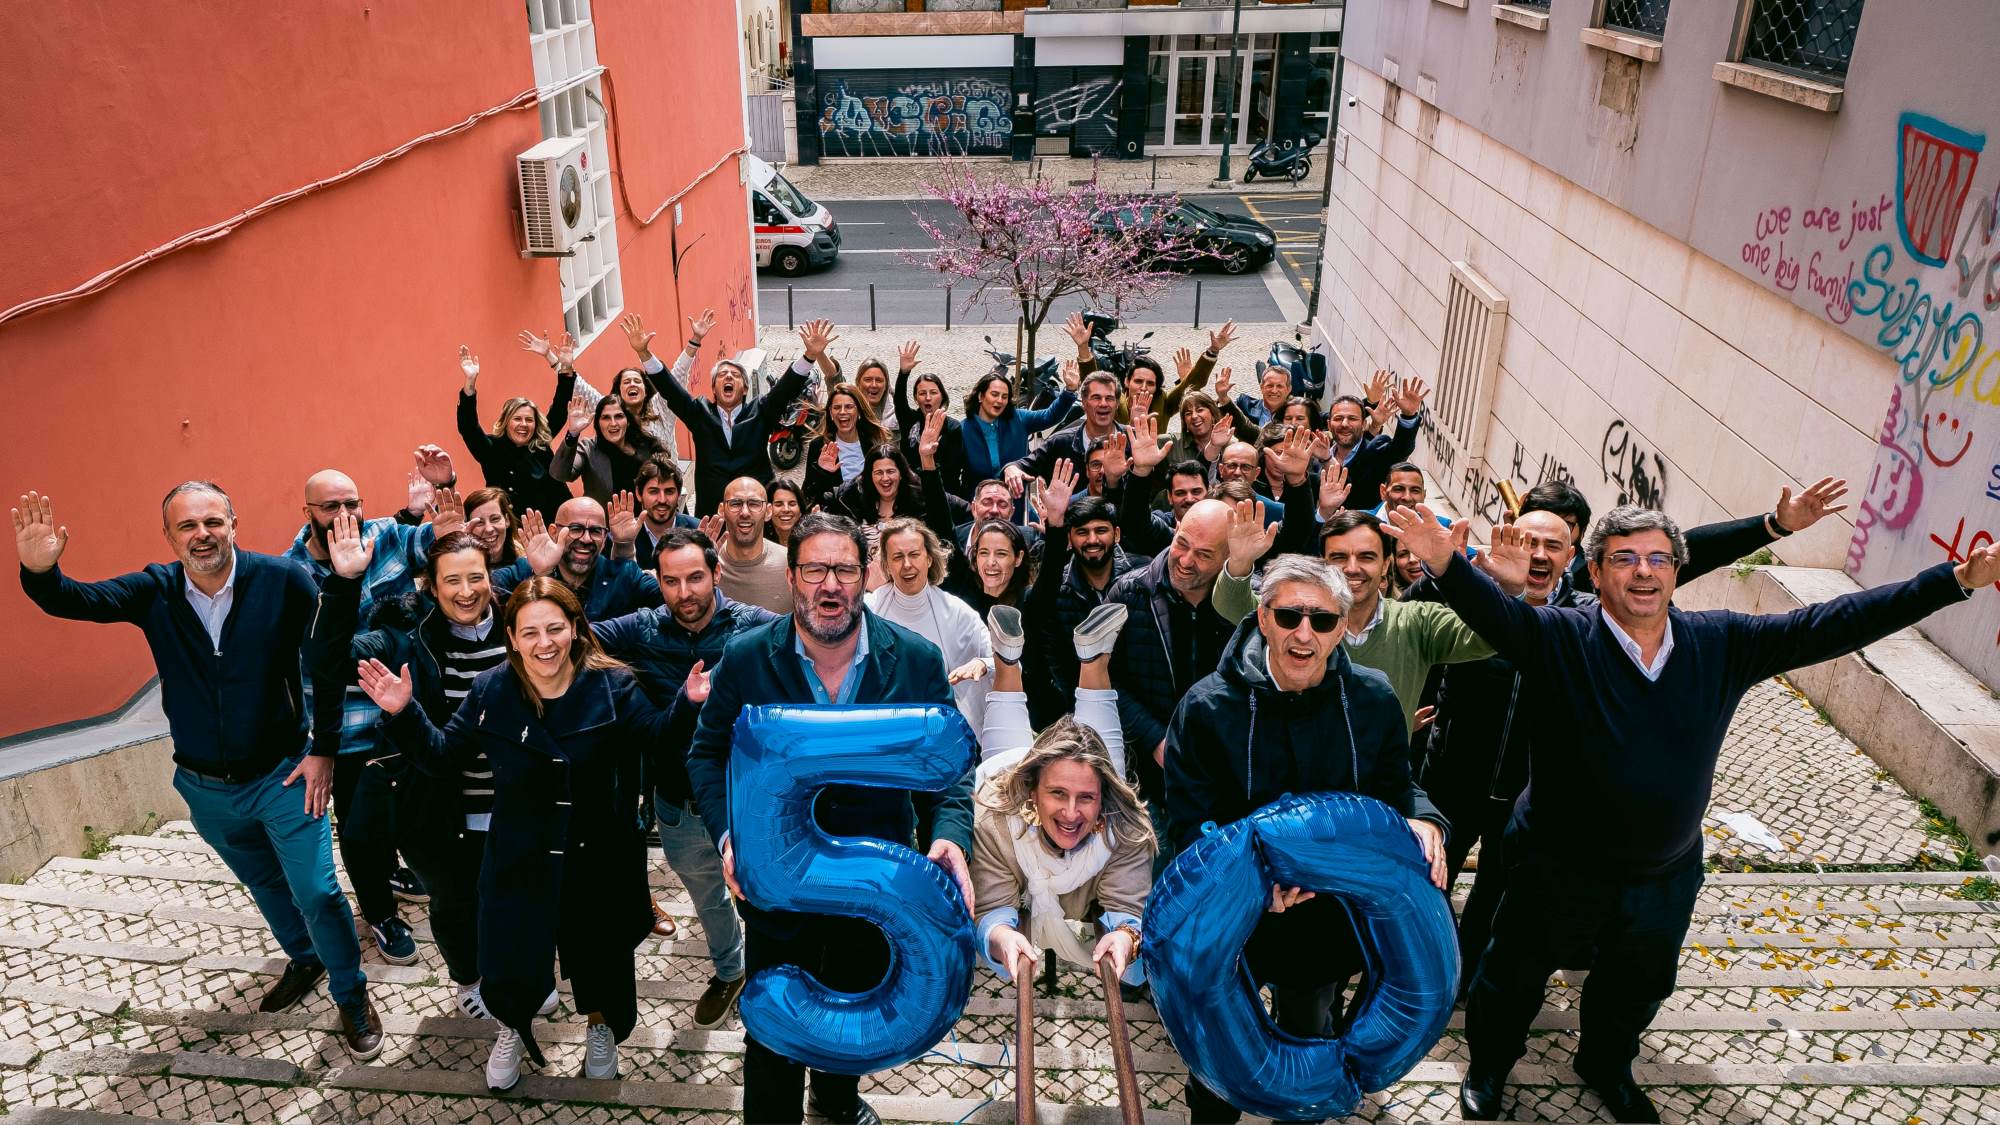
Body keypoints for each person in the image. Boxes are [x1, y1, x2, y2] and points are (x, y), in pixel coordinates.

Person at [1384, 503, 1997, 1124]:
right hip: (1554, 866)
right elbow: (1493, 613)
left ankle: (1605, 1064)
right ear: (1595, 572)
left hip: (1665, 874)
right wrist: (1446, 564)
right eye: (1624, 559)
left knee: (1637, 984)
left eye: (1659, 558)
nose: (1643, 571)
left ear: (1677, 571)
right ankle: (1490, 1066)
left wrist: (1952, 581)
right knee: (1512, 977)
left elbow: (1831, 623)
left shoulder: (1720, 642)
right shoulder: (1559, 636)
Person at [14, 486, 380, 1056]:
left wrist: (324, 749)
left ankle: (351, 994)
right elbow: (76, 600)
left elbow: (329, 658)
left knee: (318, 891)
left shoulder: (281, 579)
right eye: (187, 526)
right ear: (169, 537)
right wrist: (41, 573)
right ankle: (305, 958)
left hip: (283, 775)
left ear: (234, 523)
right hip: (205, 787)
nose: (201, 534)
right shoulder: (154, 589)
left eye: (212, 521)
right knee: (263, 882)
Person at [685, 513, 975, 1125]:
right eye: (815, 569)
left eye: (844, 569)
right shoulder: (746, 658)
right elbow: (706, 754)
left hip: (874, 892)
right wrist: (731, 836)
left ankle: (836, 1104)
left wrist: (950, 837)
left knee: (853, 1013)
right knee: (772, 1036)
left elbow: (949, 770)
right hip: (778, 894)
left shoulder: (916, 660)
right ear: (792, 577)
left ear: (865, 576)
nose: (830, 585)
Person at [358, 577, 680, 1091]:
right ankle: (512, 1026)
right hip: (519, 851)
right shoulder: (492, 689)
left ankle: (601, 1029)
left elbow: (659, 738)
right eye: (530, 632)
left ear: (575, 629)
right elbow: (443, 756)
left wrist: (690, 703)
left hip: (597, 852)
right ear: (511, 636)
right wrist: (404, 711)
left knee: (601, 956)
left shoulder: (613, 685)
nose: (544, 643)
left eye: (555, 628)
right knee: (511, 955)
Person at [1164, 553, 1449, 1124]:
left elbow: (1395, 786)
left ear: (1341, 629)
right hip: (1233, 920)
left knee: (1308, 1037)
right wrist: (1250, 888)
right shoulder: (1206, 706)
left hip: (1328, 918)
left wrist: (1424, 818)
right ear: (1263, 618)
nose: (1304, 633)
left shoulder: (1372, 699)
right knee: (1217, 1059)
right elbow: (1190, 821)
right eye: (1289, 616)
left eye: (1321, 620)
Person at [307, 524, 559, 1027]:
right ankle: (469, 978)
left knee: (524, 895)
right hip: (437, 805)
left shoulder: (521, 622)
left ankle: (527, 969)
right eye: (452, 581)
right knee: (456, 903)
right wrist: (344, 583)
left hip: (519, 800)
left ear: (491, 577)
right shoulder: (403, 635)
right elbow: (327, 660)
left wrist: (546, 578)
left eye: (475, 577)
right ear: (431, 585)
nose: (466, 592)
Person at [593, 528, 774, 1031]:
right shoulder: (642, 629)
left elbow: (812, 638)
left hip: (748, 804)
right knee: (710, 899)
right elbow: (570, 635)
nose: (684, 592)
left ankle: (773, 981)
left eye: (695, 578)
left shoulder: (753, 627)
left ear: (716, 574)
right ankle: (731, 971)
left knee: (763, 897)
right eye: (671, 581)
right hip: (678, 807)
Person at [284, 466, 451, 965]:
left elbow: (439, 541)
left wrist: (444, 492)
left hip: (404, 716)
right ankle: (379, 912)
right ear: (307, 512)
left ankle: (395, 871)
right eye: (330, 506)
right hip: (348, 728)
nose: (345, 514)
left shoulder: (385, 535)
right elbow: (316, 658)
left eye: (351, 503)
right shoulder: (292, 573)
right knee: (361, 830)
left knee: (406, 810)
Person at [973, 603, 1149, 989]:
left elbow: (1127, 907)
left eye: (1086, 798)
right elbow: (992, 906)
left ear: (1102, 799)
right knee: (1012, 753)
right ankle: (1009, 659)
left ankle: (1087, 656)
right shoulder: (995, 815)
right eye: (1057, 794)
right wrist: (1002, 937)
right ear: (1033, 790)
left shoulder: (1126, 825)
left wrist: (1125, 937)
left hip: (1100, 799)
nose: (1070, 812)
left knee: (1099, 762)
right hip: (1008, 782)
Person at [1213, 510, 1496, 734]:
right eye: (1338, 557)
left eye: (1366, 557)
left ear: (1386, 565)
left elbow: (1490, 637)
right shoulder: (1293, 618)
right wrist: (1240, 561)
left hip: (1381, 783)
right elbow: (1230, 603)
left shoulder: (1417, 622)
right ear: (1322, 563)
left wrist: (1457, 574)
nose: (1351, 568)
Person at [1107, 498, 1236, 837]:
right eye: (1182, 543)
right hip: (1147, 782)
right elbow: (1105, 680)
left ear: (1228, 558)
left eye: (1204, 554)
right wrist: (1156, 739)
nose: (1186, 560)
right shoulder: (1128, 593)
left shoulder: (1247, 605)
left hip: (1223, 781)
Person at [647, 314, 827, 515]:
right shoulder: (700, 412)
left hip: (756, 513)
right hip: (713, 515)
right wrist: (644, 353)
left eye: (735, 375)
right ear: (714, 389)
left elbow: (785, 389)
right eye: (722, 375)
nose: (728, 377)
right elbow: (670, 389)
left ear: (744, 389)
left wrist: (809, 356)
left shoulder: (761, 411)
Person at [867, 516, 995, 734]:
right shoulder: (868, 609)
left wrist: (982, 663)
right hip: (882, 729)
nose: (907, 565)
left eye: (914, 554)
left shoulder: (957, 612)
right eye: (897, 557)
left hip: (940, 731)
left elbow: (1004, 662)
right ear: (886, 564)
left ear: (929, 558)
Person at [492, 498, 663, 621]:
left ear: (605, 538)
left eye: (595, 531)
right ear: (553, 532)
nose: (586, 539)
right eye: (575, 529)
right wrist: (542, 575)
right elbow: (482, 593)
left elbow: (671, 599)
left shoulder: (624, 574)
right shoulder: (526, 570)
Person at [454, 347, 570, 520]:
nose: (523, 424)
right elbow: (468, 427)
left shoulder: (540, 444)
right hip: (510, 528)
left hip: (550, 526)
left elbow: (560, 408)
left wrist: (566, 369)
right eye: (517, 419)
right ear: (506, 422)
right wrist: (470, 383)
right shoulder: (491, 449)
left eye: (529, 420)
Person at [1002, 371, 1128, 499]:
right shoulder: (1059, 443)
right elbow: (1023, 465)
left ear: (1117, 403)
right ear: (1084, 403)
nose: (1103, 403)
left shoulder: (1134, 441)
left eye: (1109, 398)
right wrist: (1011, 468)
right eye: (1096, 398)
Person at [959, 365, 1079, 487]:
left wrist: (1069, 391)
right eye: (994, 394)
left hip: (1015, 495)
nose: (1000, 400)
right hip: (977, 497)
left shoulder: (1019, 418)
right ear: (980, 396)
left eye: (1004, 397)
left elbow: (1050, 416)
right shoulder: (963, 430)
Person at [1326, 373, 1428, 507]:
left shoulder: (1376, 452)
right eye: (1338, 418)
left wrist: (1408, 416)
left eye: (1352, 419)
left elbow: (1401, 449)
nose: (1344, 424)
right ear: (1329, 425)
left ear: (1363, 424)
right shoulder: (1316, 457)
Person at [553, 391, 663, 505]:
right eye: (606, 418)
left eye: (619, 416)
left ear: (628, 421)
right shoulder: (588, 448)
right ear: (598, 423)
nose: (613, 423)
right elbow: (559, 474)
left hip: (645, 515)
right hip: (605, 516)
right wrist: (573, 433)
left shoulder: (648, 446)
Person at [707, 477, 794, 614]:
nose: (745, 513)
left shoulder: (790, 562)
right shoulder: (707, 565)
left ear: (768, 511)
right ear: (722, 510)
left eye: (754, 504)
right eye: (735, 504)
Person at [894, 348, 972, 499]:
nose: (928, 398)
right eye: (922, 393)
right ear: (916, 398)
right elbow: (899, 401)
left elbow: (953, 468)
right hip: (912, 493)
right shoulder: (909, 420)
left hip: (945, 494)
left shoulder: (953, 427)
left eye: (933, 392)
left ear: (942, 396)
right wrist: (903, 373)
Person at [804, 382, 891, 504]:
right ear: (831, 413)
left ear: (859, 411)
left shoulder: (875, 442)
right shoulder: (819, 446)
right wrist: (821, 471)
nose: (842, 412)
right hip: (837, 513)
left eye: (849, 407)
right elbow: (807, 495)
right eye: (837, 407)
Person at [624, 456, 700, 572]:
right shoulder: (623, 537)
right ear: (639, 494)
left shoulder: (698, 530)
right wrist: (622, 543)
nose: (662, 500)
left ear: (679, 494)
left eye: (669, 492)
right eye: (653, 492)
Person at [463, 487, 525, 569]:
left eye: (495, 519)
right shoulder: (460, 568)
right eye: (479, 522)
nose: (489, 529)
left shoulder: (528, 563)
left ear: (507, 520)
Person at [766, 479, 807, 548]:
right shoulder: (759, 544)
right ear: (768, 510)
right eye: (778, 504)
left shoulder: (810, 542)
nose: (786, 509)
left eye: (792, 504)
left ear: (800, 510)